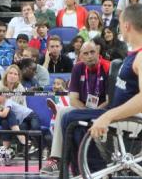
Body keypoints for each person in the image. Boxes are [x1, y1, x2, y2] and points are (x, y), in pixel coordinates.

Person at [60, 4, 142, 171]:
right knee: (69, 116)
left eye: (120, 23)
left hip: (129, 119)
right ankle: (86, 169)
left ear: (126, 25)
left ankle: (93, 170)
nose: (119, 27)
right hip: (123, 115)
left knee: (71, 119)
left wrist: (108, 116)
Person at [41, 40, 109, 176]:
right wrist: (86, 112)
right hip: (82, 108)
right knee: (63, 112)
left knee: (70, 116)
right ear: (81, 56)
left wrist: (92, 112)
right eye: (85, 53)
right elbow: (73, 99)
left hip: (103, 110)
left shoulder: (107, 68)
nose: (89, 56)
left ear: (98, 53)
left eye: (92, 52)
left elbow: (109, 100)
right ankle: (56, 158)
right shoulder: (78, 68)